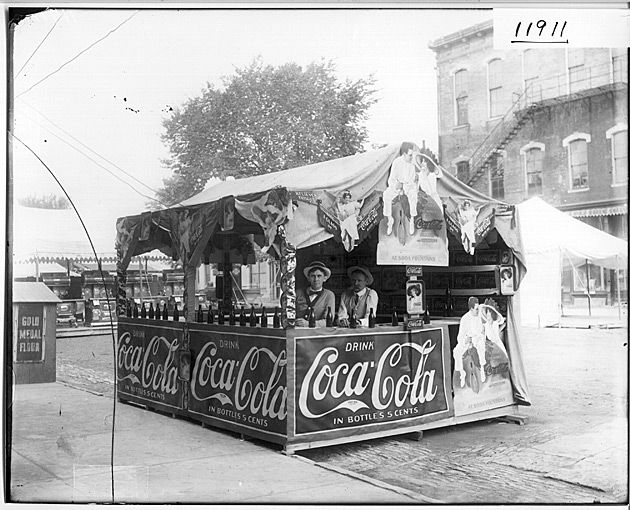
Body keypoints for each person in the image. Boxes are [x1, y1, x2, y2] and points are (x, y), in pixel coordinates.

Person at [383, 142, 419, 236]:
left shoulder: (412, 164)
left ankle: (412, 220)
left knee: (413, 194)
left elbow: (411, 181)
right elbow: (391, 180)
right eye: (410, 155)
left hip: (407, 187)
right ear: (404, 154)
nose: (411, 157)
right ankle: (390, 219)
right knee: (386, 195)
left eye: (412, 155)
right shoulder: (396, 162)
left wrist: (404, 186)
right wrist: (396, 186)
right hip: (397, 186)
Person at [453, 296, 486, 388]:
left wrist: (478, 337)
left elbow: (482, 332)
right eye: (476, 309)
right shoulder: (465, 319)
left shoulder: (479, 317)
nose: (477, 311)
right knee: (457, 352)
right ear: (471, 309)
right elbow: (460, 336)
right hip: (467, 340)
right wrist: (465, 340)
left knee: (481, 346)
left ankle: (482, 369)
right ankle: (461, 374)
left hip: (477, 339)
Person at [295, 261, 336, 327]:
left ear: (324, 278)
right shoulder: (298, 293)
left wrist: (308, 324)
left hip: (317, 333)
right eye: (313, 276)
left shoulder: (329, 295)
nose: (316, 279)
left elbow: (328, 321)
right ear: (308, 278)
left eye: (319, 276)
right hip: (297, 331)